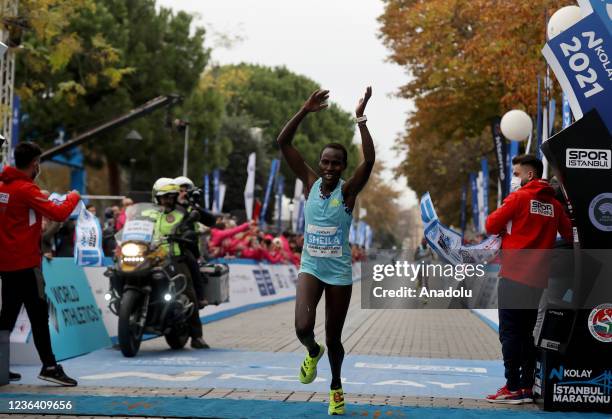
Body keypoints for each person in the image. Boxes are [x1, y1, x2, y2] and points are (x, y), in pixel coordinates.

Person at [278, 87, 375, 415]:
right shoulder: (310, 183)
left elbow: (370, 160)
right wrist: (304, 110)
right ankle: (311, 351)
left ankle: (335, 386)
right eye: (325, 162)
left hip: (338, 273)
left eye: (336, 163)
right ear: (319, 164)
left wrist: (360, 119)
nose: (329, 167)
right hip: (311, 267)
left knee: (335, 337)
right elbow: (283, 143)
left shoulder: (348, 192)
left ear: (344, 167)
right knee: (303, 328)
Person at [484, 154, 572, 404]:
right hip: (538, 279)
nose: (514, 178)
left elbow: (490, 224)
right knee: (526, 334)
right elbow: (568, 233)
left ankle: (512, 386)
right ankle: (525, 386)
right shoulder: (554, 204)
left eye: (516, 173)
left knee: (510, 333)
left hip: (513, 275)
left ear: (530, 175)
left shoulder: (519, 197)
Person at [0, 142, 81, 386]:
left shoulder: (4, 186)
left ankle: (1, 365)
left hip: (6, 263)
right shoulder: (26, 189)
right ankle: (49, 366)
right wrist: (73, 196)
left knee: (7, 317)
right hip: (26, 263)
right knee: (38, 315)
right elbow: (59, 213)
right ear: (35, 163)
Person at [150, 178, 209, 349]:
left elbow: (194, 227)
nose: (167, 199)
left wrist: (185, 232)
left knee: (187, 291)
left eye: (171, 196)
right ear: (157, 197)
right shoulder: (151, 213)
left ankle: (197, 336)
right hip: (151, 257)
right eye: (164, 196)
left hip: (174, 257)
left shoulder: (182, 213)